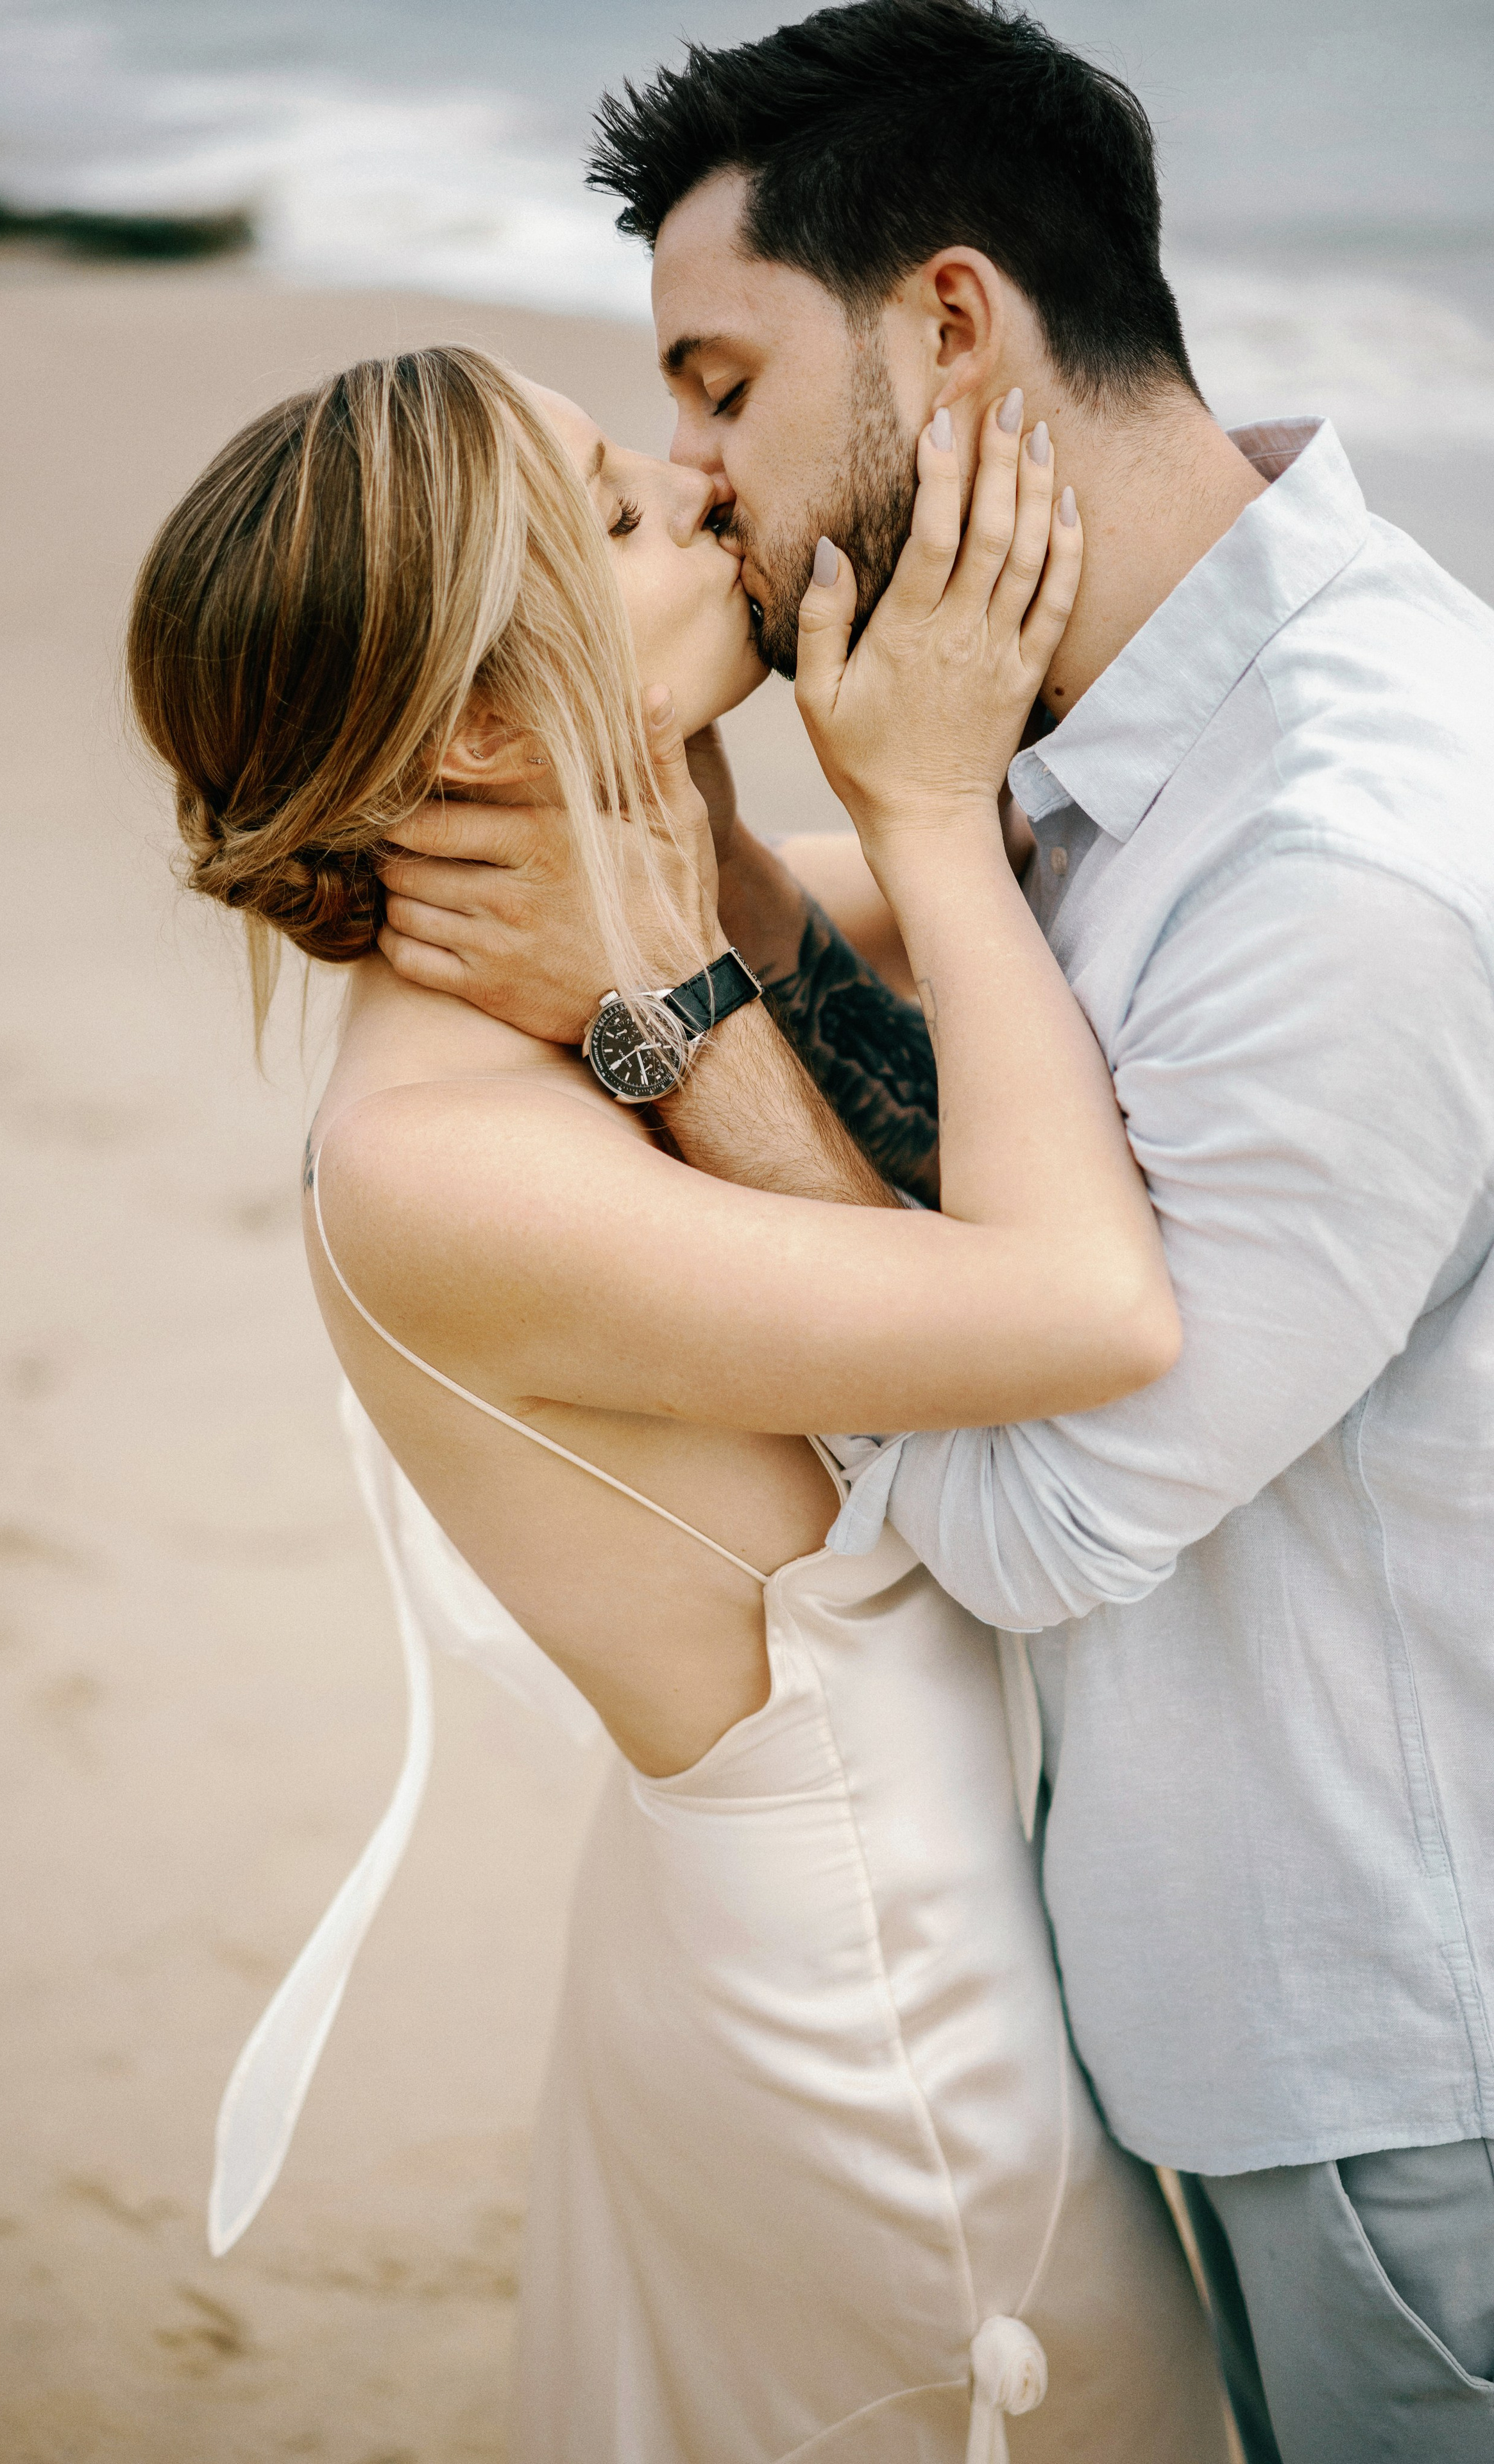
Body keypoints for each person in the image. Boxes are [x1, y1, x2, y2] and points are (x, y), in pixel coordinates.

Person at [371, 6, 1494, 2459]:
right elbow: (983, 1149)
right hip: (1244, 2001)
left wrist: (681, 999)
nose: (697, 477)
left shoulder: (1341, 868)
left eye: (724, 387)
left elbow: (1037, 1509)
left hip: (1404, 2063)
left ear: (954, 324)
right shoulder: (1157, 724)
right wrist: (744, 884)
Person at [127, 345, 1231, 2460]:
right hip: (880, 2004)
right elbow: (1092, 1307)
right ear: (475, 728)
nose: (704, 488)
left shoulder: (626, 944)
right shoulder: (444, 1158)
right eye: (625, 515)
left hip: (896, 1908)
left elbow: (1099, 903)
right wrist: (897, 821)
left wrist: (785, 818)